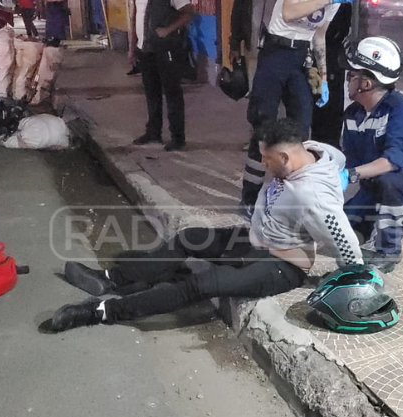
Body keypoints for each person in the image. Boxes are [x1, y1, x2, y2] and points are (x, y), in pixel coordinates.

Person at [49, 119, 364, 332]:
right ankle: (110, 279)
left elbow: (343, 239)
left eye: (266, 159)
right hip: (257, 239)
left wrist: (356, 276)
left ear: (284, 157)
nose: (263, 164)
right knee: (188, 239)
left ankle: (102, 311)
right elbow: (336, 159)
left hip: (281, 265)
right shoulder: (313, 151)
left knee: (201, 285)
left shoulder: (312, 196)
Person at [237, 0, 356, 216]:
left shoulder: (335, 4)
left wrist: (323, 78)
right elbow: (288, 12)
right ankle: (249, 198)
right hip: (275, 53)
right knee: (263, 126)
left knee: (301, 129)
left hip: (301, 57)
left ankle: (290, 196)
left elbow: (319, 35)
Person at [339, 36, 403, 273]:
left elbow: (393, 161)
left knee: (391, 183)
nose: (347, 80)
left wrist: (351, 174)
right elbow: (351, 156)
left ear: (366, 83)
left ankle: (389, 250)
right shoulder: (353, 114)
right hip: (375, 180)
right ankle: (383, 214)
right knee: (343, 229)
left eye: (352, 75)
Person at [128, 0, 195, 151]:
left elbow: (189, 13)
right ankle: (153, 132)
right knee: (151, 93)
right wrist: (132, 48)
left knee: (172, 93)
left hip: (166, 49)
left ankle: (177, 138)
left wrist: (168, 30)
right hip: (145, 50)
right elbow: (135, 16)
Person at [309, 3, 351, 148]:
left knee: (329, 111)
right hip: (313, 51)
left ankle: (326, 149)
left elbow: (339, 30)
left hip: (331, 54)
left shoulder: (342, 5)